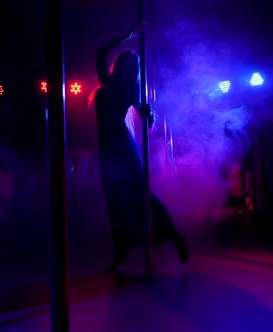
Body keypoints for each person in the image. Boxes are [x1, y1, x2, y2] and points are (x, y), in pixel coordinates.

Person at [88, 22, 189, 272]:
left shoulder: (131, 88)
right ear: (118, 65)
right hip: (106, 148)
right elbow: (101, 51)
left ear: (134, 71)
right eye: (124, 63)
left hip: (123, 146)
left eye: (132, 66)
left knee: (141, 196)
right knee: (114, 202)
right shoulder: (106, 81)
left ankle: (172, 235)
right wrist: (126, 35)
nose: (127, 68)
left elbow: (147, 121)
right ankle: (120, 251)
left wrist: (148, 114)